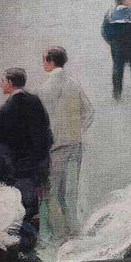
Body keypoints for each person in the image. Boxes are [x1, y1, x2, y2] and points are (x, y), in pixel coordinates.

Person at [38, 47, 93, 242]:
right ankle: (73, 228)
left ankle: (59, 233)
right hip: (75, 144)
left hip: (55, 147)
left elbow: (40, 122)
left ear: (51, 62)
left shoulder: (44, 89)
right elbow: (89, 112)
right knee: (71, 189)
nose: (43, 63)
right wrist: (77, 130)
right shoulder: (74, 84)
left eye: (44, 60)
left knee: (53, 191)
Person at [0, 67, 53, 226]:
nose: (1, 84)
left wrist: (1, 176)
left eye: (3, 81)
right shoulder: (36, 102)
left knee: (17, 213)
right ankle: (34, 242)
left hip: (17, 172)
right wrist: (43, 164)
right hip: (36, 168)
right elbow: (46, 134)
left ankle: (22, 246)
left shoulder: (5, 110)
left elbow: (1, 147)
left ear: (11, 83)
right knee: (34, 211)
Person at [101, 0, 131, 99]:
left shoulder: (109, 14)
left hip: (117, 48)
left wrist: (112, 42)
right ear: (125, 1)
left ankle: (117, 93)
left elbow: (105, 31)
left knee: (117, 70)